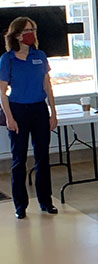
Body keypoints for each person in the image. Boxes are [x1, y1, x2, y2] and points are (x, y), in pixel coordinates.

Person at [0, 17, 58, 219]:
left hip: (39, 109)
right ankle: (20, 205)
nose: (30, 32)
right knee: (19, 160)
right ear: (17, 34)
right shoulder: (7, 59)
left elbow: (47, 85)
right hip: (18, 110)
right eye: (26, 29)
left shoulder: (40, 56)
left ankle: (46, 201)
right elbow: (2, 91)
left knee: (42, 157)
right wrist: (9, 117)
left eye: (33, 28)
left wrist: (53, 112)